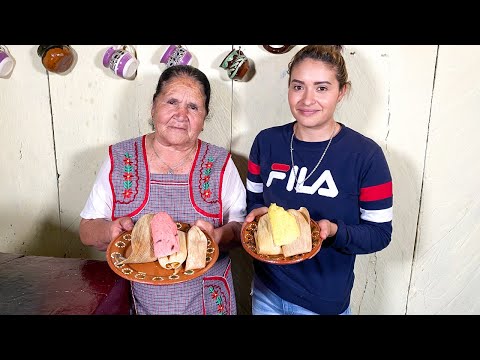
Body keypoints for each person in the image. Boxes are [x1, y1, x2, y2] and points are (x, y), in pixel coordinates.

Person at [79, 64, 246, 315]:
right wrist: (110, 231)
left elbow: (242, 229)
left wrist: (219, 236)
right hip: (138, 299)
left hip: (207, 300)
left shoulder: (220, 163)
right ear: (153, 106)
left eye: (193, 107)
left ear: (204, 117)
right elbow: (87, 231)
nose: (181, 114)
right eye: (172, 101)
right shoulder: (120, 158)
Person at [244, 45, 393, 315]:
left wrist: (334, 231)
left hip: (323, 304)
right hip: (267, 291)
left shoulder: (366, 156)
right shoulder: (266, 143)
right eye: (298, 86)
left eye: (322, 88)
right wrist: (256, 213)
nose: (307, 100)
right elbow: (253, 200)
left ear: (342, 92)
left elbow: (380, 234)